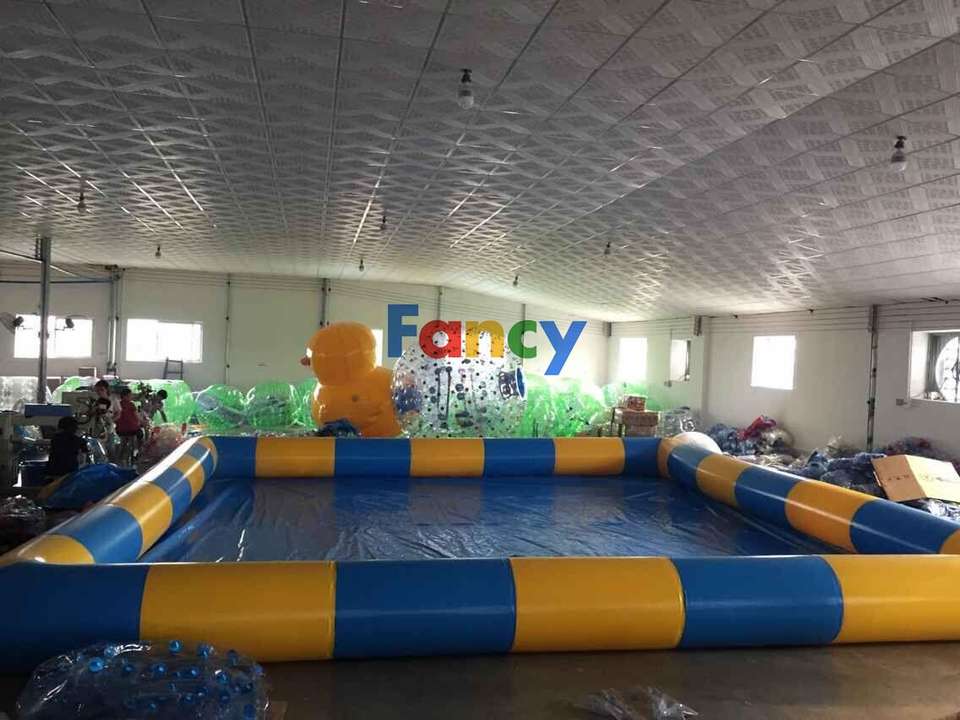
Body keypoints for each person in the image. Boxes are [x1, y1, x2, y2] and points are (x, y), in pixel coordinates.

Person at [115, 388, 142, 466]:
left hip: (120, 429)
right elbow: (137, 416)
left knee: (122, 444)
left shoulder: (117, 404)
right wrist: (142, 422)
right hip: (132, 428)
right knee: (138, 439)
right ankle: (135, 457)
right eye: (130, 395)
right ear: (125, 396)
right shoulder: (131, 404)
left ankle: (119, 460)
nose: (131, 397)